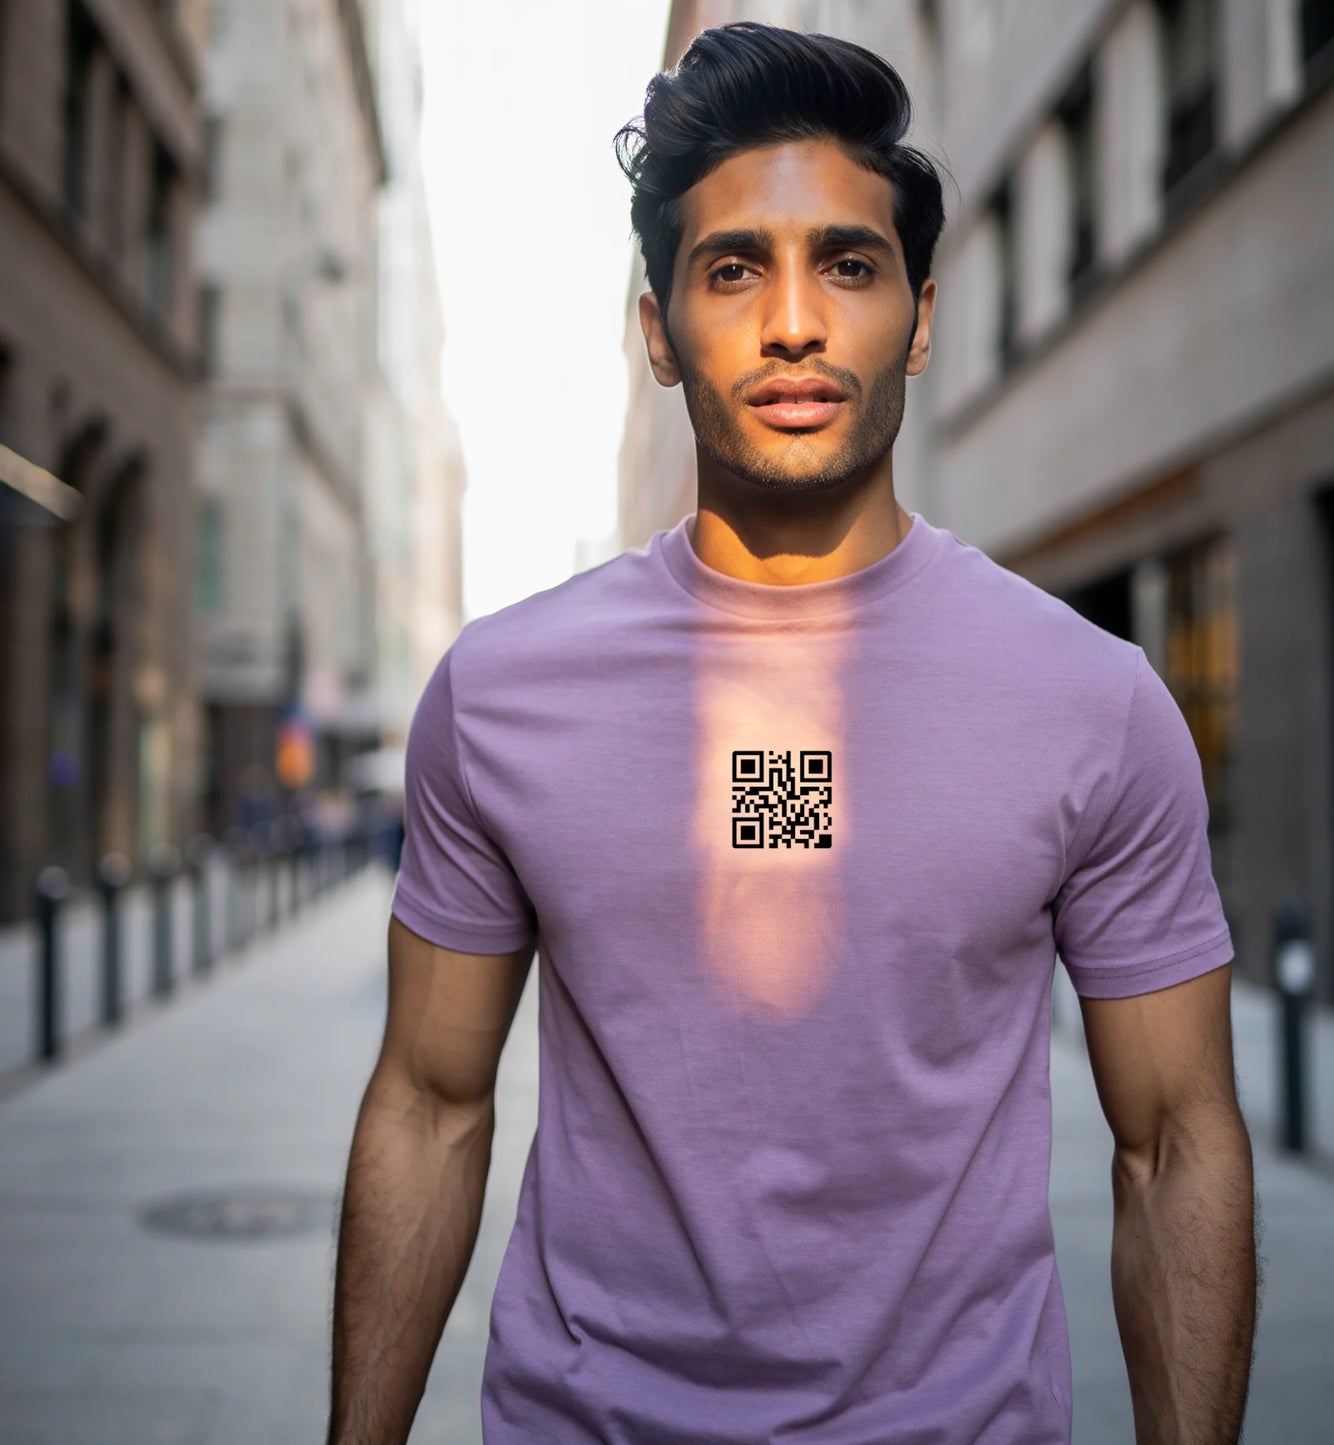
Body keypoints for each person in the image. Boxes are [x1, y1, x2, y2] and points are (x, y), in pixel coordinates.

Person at [328, 22, 1257, 1445]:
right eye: (730, 269)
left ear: (921, 318)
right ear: (657, 332)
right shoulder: (501, 690)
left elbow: (1175, 1142)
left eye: (847, 262)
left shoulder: (1092, 697)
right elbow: (431, 1102)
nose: (794, 322)